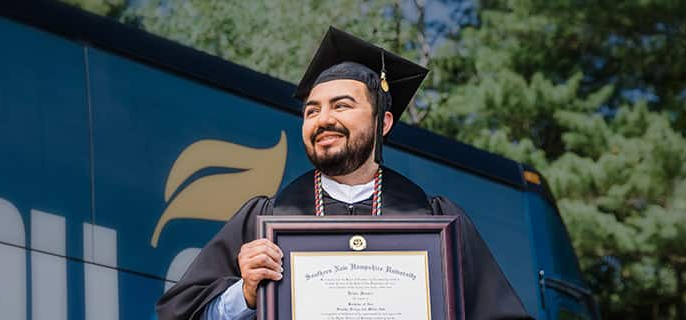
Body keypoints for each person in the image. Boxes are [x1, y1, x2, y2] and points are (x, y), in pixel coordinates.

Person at [155, 27, 532, 320]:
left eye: (342, 105)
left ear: (383, 122)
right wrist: (247, 294)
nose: (324, 120)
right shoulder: (263, 221)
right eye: (312, 110)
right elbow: (179, 315)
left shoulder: (436, 222)